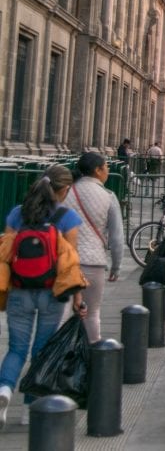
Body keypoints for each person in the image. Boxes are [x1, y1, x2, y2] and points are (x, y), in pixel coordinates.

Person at [0, 166, 87, 429]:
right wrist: (78, 299)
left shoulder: (17, 213)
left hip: (19, 289)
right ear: (65, 190)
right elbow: (70, 264)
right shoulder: (67, 218)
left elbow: (5, 254)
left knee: (16, 348)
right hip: (52, 293)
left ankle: (4, 390)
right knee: (42, 350)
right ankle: (30, 408)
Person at [66, 152, 124, 342]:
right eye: (106, 166)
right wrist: (116, 266)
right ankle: (91, 356)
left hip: (66, 262)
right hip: (93, 262)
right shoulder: (108, 196)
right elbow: (116, 237)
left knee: (65, 314)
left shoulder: (67, 192)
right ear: (97, 170)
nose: (108, 170)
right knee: (91, 313)